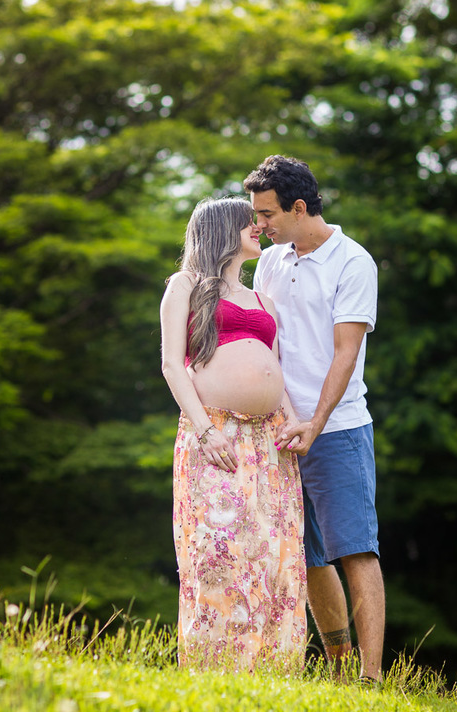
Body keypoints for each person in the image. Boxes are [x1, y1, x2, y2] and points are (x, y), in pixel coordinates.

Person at [244, 155, 384, 683]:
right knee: (307, 557)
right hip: (278, 431)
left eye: (267, 214)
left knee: (355, 551)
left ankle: (371, 681)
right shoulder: (274, 260)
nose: (259, 226)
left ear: (299, 207)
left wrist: (315, 423)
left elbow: (345, 354)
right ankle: (341, 671)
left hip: (338, 429)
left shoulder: (354, 262)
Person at [160, 196, 308, 671]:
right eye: (249, 222)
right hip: (216, 434)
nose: (259, 227)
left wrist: (291, 422)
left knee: (274, 554)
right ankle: (215, 667)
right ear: (221, 229)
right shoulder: (185, 286)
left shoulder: (261, 298)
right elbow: (171, 364)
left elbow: (276, 369)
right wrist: (205, 432)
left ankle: (273, 669)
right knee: (218, 550)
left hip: (270, 443)